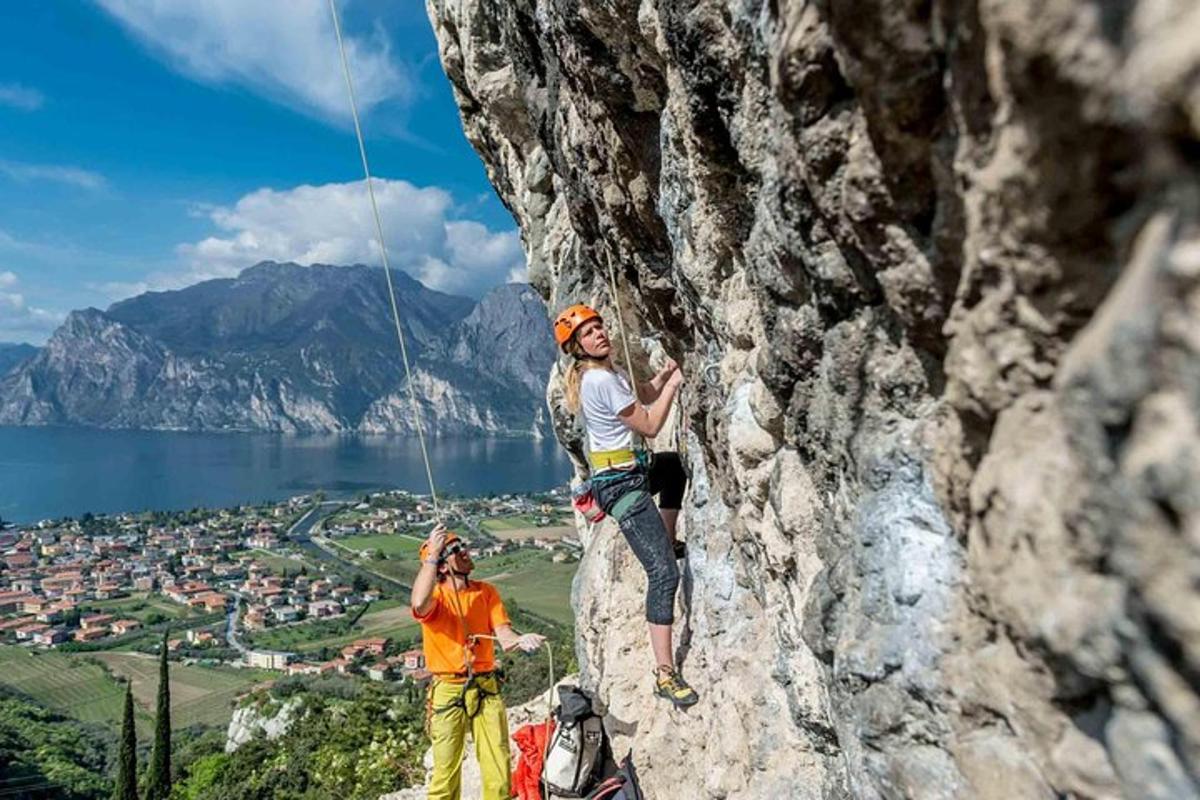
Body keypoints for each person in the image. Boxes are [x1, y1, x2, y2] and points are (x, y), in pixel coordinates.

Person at [554, 303, 698, 709]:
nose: (599, 334)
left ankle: (667, 538)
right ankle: (665, 673)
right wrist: (678, 383)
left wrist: (666, 372)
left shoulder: (610, 373)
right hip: (620, 485)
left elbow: (645, 393)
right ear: (577, 348)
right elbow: (650, 423)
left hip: (628, 473)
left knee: (672, 469)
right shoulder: (599, 380)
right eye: (588, 333)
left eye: (599, 327)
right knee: (663, 574)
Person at [411, 523, 546, 800]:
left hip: (485, 684)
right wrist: (432, 556)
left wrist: (522, 639)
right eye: (456, 550)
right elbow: (419, 603)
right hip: (449, 687)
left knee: (497, 766)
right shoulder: (436, 597)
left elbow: (505, 637)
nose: (465, 552)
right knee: (445, 774)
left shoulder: (486, 593)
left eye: (463, 546)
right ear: (443, 566)